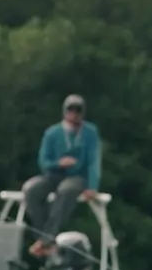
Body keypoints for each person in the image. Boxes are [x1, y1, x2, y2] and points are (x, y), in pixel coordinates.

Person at [23, 95, 100, 258]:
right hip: (53, 174)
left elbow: (94, 161)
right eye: (71, 109)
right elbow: (43, 160)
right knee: (31, 189)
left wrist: (92, 187)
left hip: (77, 176)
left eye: (78, 110)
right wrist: (59, 163)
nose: (74, 114)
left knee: (66, 190)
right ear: (65, 111)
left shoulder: (90, 132)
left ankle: (45, 241)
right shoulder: (52, 133)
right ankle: (44, 239)